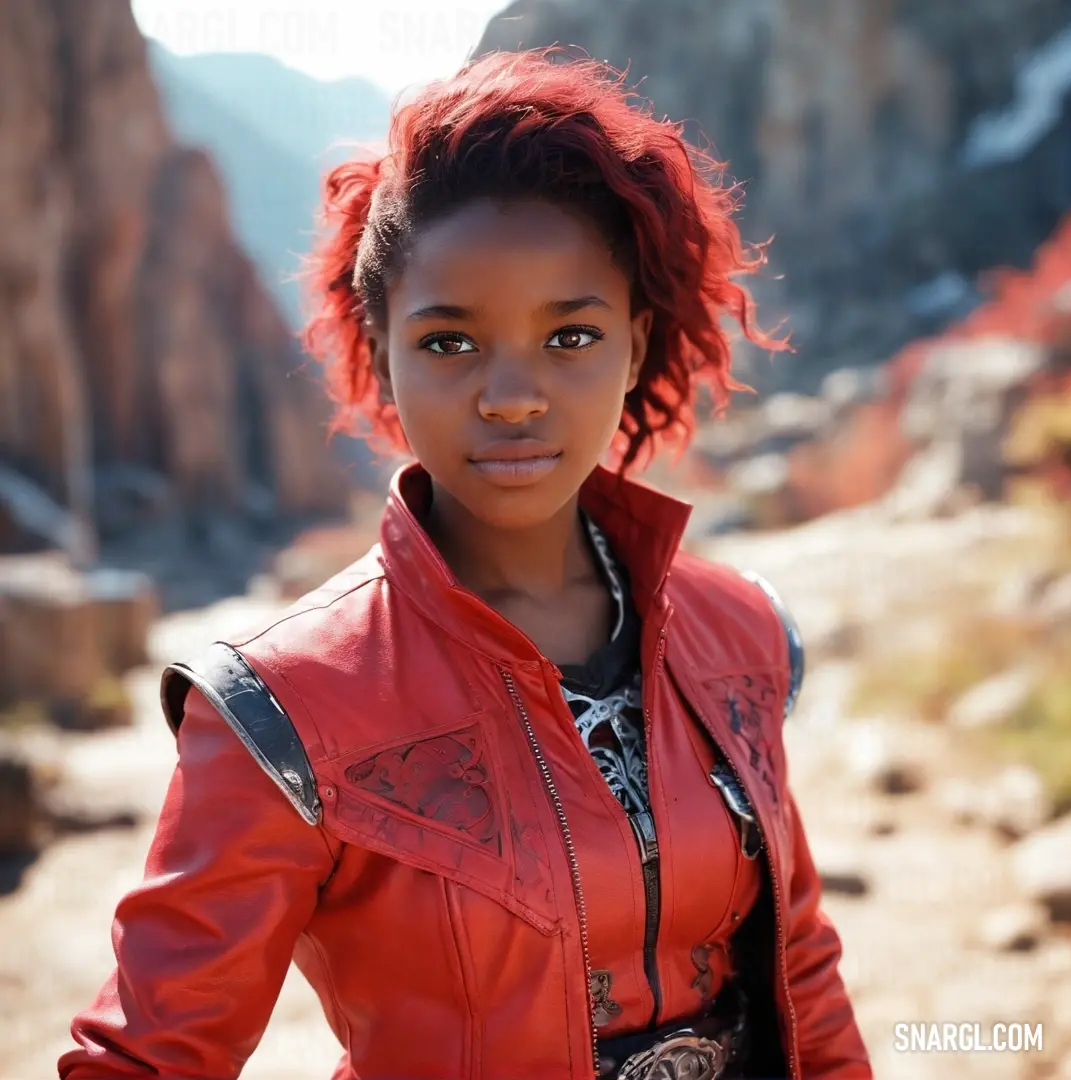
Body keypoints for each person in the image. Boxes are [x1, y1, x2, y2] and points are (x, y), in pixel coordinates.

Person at [59, 47, 871, 1080]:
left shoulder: (736, 635)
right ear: (382, 352)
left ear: (636, 342)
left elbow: (800, 972)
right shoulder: (286, 709)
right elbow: (147, 1058)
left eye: (570, 335)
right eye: (450, 343)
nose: (513, 396)